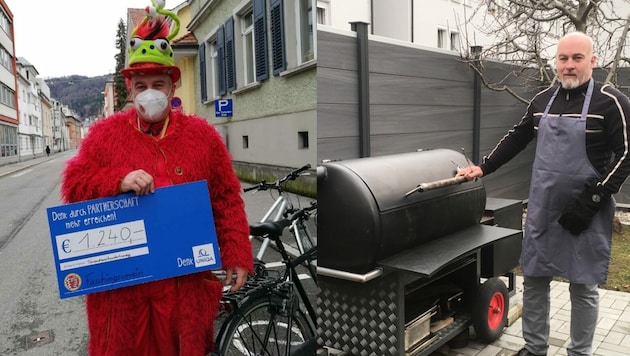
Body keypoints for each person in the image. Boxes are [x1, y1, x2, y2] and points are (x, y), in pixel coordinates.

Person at [60, 3, 253, 355]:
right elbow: (74, 185)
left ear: (172, 85)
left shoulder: (202, 136)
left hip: (183, 285)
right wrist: (117, 180)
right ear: (130, 89)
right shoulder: (105, 135)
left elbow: (226, 197)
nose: (150, 93)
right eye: (142, 85)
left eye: (158, 84)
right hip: (125, 287)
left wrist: (237, 253)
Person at [457, 31, 630, 356]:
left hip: (586, 210)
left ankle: (579, 352)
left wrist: (594, 198)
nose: (568, 65)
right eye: (563, 58)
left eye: (577, 58)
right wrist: (483, 167)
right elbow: (517, 137)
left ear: (592, 61)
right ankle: (534, 348)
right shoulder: (541, 102)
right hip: (543, 209)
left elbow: (626, 154)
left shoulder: (611, 102)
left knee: (583, 287)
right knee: (534, 280)